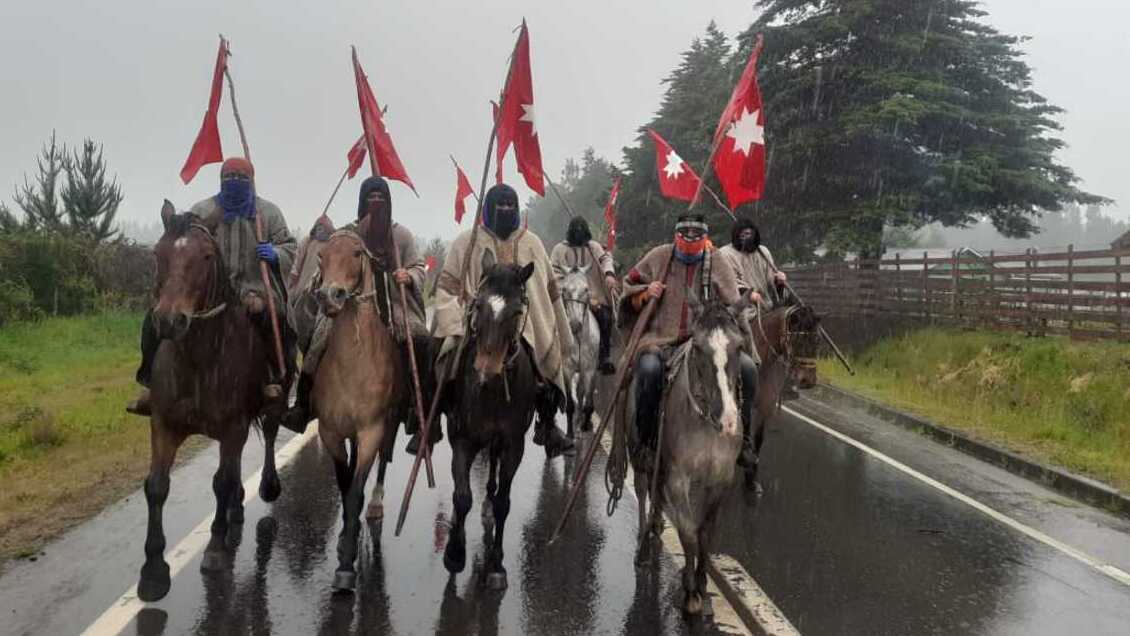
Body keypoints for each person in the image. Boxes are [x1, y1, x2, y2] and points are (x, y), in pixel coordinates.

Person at [127, 157, 297, 416]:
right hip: (208, 290)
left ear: (251, 181)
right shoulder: (203, 210)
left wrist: (275, 253)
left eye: (241, 178)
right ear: (220, 180)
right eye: (229, 177)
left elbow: (290, 247)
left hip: (254, 287)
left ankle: (273, 379)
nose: (235, 182)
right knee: (155, 318)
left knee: (277, 319)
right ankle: (152, 381)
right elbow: (183, 244)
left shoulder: (268, 212)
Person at [281, 176, 431, 440]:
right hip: (349, 304)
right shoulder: (347, 234)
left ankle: (417, 411)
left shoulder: (401, 235)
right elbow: (330, 264)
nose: (376, 202)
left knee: (419, 339)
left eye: (380, 197)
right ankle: (303, 406)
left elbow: (418, 266)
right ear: (361, 201)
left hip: (391, 302)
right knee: (317, 340)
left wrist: (408, 275)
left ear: (389, 201)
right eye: (370, 197)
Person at [433, 183, 576, 457]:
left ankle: (548, 425)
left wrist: (561, 330)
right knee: (444, 360)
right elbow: (447, 287)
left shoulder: (531, 242)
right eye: (500, 204)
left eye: (511, 205)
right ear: (488, 207)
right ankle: (430, 420)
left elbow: (549, 290)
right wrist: (455, 318)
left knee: (543, 370)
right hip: (476, 321)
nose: (506, 209)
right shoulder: (467, 241)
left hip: (523, 323)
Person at [619, 214, 759, 464]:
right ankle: (645, 442)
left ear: (705, 237)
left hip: (707, 341)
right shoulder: (659, 256)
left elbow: (732, 303)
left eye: (698, 235)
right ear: (676, 235)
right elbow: (628, 284)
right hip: (660, 340)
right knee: (650, 371)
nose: (691, 239)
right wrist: (644, 293)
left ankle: (744, 439)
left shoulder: (716, 261)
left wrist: (739, 334)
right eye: (686, 234)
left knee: (747, 370)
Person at [550, 216, 618, 374]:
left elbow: (606, 259)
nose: (579, 233)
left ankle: (604, 356)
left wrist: (609, 273)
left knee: (605, 317)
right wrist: (566, 290)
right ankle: (551, 359)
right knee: (552, 321)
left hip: (593, 294)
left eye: (582, 230)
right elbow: (553, 272)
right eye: (576, 230)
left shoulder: (593, 247)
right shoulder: (559, 250)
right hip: (567, 296)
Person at [287, 214, 336, 353]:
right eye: (318, 227)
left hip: (322, 291)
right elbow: (296, 266)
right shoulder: (307, 242)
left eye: (324, 228)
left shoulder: (332, 245)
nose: (321, 231)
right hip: (302, 289)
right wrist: (292, 285)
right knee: (293, 324)